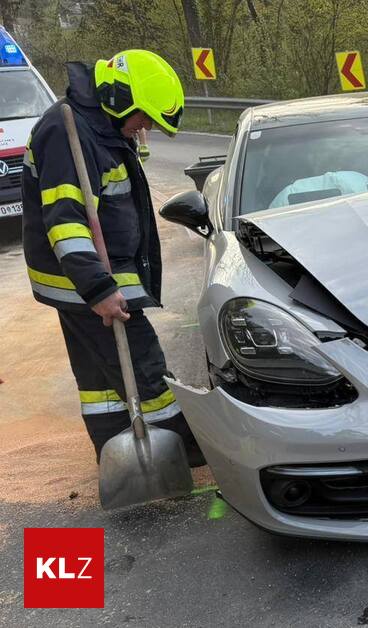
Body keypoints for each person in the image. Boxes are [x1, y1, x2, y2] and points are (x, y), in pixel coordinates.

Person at [20, 50, 204, 465]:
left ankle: (116, 449)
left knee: (100, 378)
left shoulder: (99, 127)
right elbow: (65, 222)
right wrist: (99, 288)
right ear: (120, 99)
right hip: (84, 281)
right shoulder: (66, 132)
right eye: (144, 117)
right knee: (143, 364)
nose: (146, 128)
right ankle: (182, 452)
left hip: (93, 277)